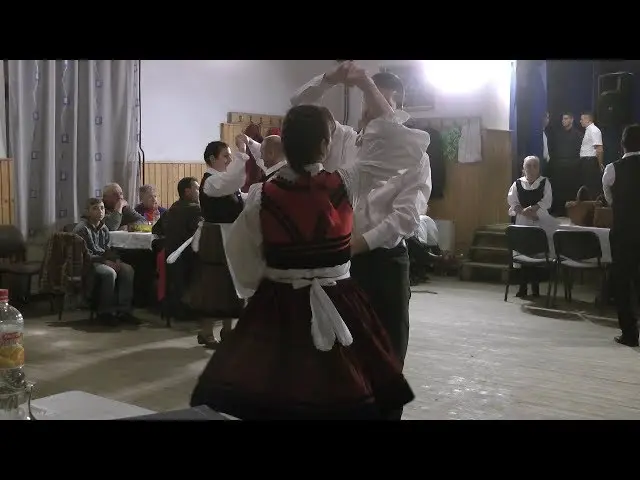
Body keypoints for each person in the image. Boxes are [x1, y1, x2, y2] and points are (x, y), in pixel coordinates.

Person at [190, 65, 426, 420]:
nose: (372, 108)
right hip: (339, 286)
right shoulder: (345, 178)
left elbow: (241, 255)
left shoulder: (261, 195)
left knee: (299, 379)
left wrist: (270, 278)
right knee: (335, 378)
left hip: (339, 276)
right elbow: (399, 146)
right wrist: (341, 80)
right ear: (326, 144)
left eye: (380, 103)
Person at [290, 62, 431, 420]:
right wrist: (331, 79)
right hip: (341, 265)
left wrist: (355, 244)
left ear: (398, 107)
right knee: (340, 354)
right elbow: (299, 106)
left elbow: (406, 218)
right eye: (369, 98)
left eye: (383, 99)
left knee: (386, 357)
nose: (375, 106)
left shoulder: (413, 154)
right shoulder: (346, 141)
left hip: (384, 264)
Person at [194, 138, 249, 346]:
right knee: (214, 285)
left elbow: (240, 190)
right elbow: (234, 179)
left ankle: (228, 330)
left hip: (231, 235)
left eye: (229, 156)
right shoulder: (211, 181)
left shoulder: (225, 181)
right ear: (211, 159)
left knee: (230, 284)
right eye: (225, 156)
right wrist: (242, 153)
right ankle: (206, 331)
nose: (228, 160)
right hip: (216, 237)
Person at [602, 124, 640, 347]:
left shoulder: (612, 169)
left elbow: (610, 200)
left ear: (621, 144)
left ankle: (629, 333)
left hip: (624, 232)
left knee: (623, 284)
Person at [73, 198, 136, 324]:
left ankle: (124, 310)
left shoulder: (104, 228)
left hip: (102, 260)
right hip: (89, 263)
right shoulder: (82, 229)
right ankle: (105, 312)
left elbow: (107, 249)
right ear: (88, 211)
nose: (100, 211)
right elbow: (85, 255)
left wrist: (116, 260)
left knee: (127, 269)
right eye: (95, 208)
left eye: (102, 208)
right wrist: (105, 262)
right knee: (109, 273)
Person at [507, 155, 558, 297]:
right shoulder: (517, 183)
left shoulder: (544, 182)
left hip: (539, 220)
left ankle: (535, 287)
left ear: (539, 168)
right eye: (528, 166)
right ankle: (522, 287)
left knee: (537, 252)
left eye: (534, 165)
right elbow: (512, 201)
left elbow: (546, 201)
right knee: (523, 252)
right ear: (523, 168)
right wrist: (522, 211)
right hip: (523, 221)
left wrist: (533, 209)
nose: (531, 168)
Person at [152, 177, 202, 321]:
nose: (199, 192)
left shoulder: (173, 208)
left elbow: (156, 229)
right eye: (197, 189)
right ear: (187, 191)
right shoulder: (195, 210)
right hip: (189, 257)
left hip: (170, 255)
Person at [579, 112, 604, 199]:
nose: (580, 121)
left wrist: (600, 164)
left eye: (582, 119)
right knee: (587, 187)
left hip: (590, 162)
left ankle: (594, 209)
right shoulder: (588, 130)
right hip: (586, 162)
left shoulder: (594, 130)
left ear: (588, 119)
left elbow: (599, 149)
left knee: (592, 187)